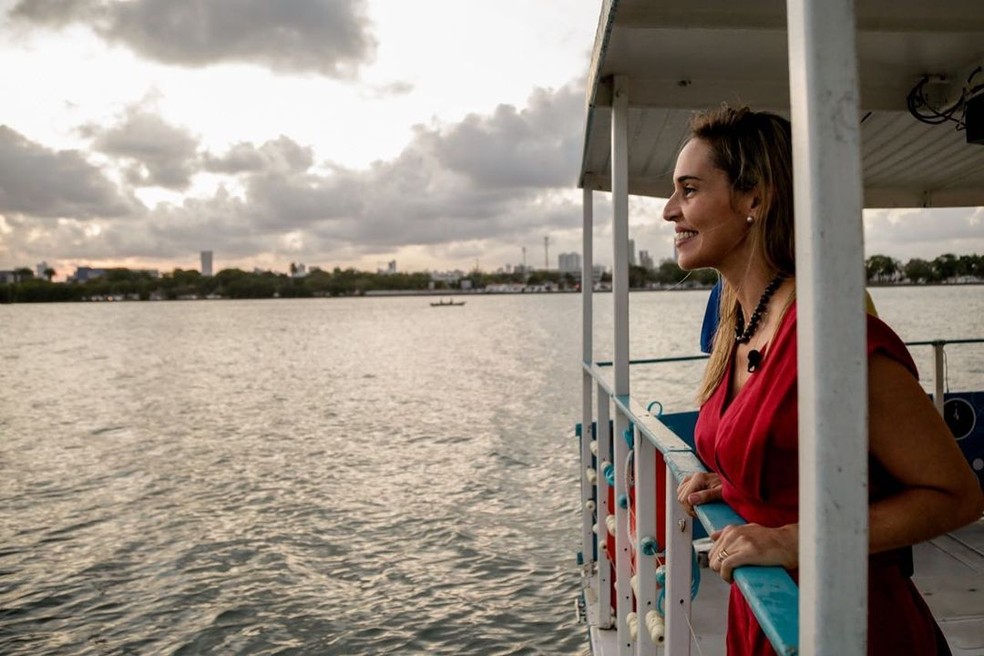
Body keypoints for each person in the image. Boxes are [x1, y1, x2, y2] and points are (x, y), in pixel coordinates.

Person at [666, 105, 984, 656]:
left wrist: (791, 540)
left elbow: (957, 497)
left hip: (849, 625)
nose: (670, 210)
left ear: (755, 199)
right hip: (767, 613)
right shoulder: (737, 330)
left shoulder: (833, 337)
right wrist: (739, 485)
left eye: (689, 190)